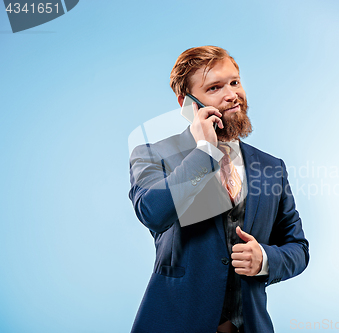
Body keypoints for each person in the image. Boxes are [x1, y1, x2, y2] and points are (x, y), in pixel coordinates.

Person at [128, 46, 309, 333]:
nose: (231, 94)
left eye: (235, 82)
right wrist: (205, 152)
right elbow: (153, 212)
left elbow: (298, 247)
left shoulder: (271, 167)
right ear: (186, 103)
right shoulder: (153, 155)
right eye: (215, 87)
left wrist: (265, 259)